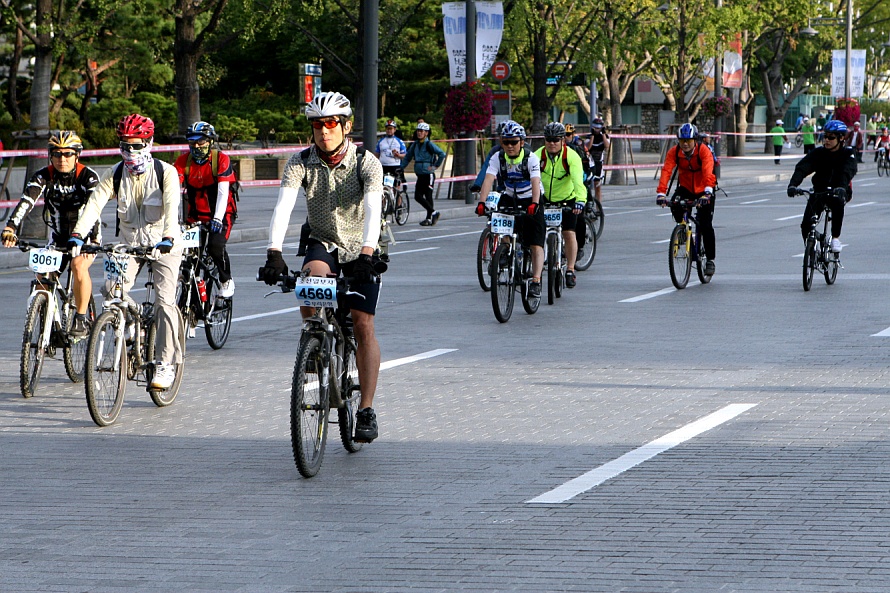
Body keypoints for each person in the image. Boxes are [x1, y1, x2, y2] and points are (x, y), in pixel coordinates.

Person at [260, 91, 384, 443]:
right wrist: (274, 251)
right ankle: (315, 341)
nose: (324, 131)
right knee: (308, 282)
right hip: (324, 241)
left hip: (364, 246)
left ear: (345, 126)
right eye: (317, 124)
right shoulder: (300, 162)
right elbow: (283, 205)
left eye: (331, 124)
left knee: (362, 324)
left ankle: (366, 410)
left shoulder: (366, 163)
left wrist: (366, 253)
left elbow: (373, 208)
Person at [68, 114, 183, 390]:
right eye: (125, 145)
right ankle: (129, 326)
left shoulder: (165, 172)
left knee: (164, 302)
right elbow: (94, 204)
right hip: (129, 244)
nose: (130, 152)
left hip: (163, 244)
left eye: (136, 145)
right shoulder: (116, 173)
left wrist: (167, 237)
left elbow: (171, 206)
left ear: (149, 143)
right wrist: (77, 234)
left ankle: (165, 363)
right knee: (111, 289)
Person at [1, 131, 100, 337]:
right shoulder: (43, 175)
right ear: (50, 155)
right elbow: (26, 202)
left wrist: (94, 240)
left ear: (77, 155)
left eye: (67, 154)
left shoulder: (88, 176)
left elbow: (95, 210)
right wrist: (11, 227)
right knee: (42, 277)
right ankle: (49, 324)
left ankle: (81, 319)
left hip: (85, 238)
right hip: (57, 239)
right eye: (56, 154)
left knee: (78, 265)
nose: (62, 159)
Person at [474, 120, 545, 298]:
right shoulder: (497, 157)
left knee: (535, 243)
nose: (510, 146)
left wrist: (535, 204)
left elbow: (536, 183)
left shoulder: (531, 158)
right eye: (506, 142)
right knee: (500, 222)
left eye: (514, 142)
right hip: (510, 196)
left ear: (522, 142)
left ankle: (536, 281)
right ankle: (505, 249)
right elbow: (489, 179)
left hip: (531, 196)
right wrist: (482, 203)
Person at [174, 121, 238, 298]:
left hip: (222, 213)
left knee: (215, 246)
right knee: (189, 258)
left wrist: (217, 218)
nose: (196, 146)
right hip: (194, 215)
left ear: (210, 142)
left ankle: (226, 279)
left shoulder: (221, 160)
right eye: (192, 142)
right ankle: (192, 304)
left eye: (201, 142)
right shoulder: (183, 161)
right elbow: (172, 191)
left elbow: (223, 191)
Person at [787, 119, 857, 254]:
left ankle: (836, 238)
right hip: (820, 190)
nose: (827, 140)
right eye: (825, 136)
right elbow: (803, 167)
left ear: (841, 138)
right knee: (806, 225)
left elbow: (847, 171)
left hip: (839, 189)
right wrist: (793, 185)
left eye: (831, 137)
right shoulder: (819, 153)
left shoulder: (847, 153)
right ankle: (813, 248)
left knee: (837, 201)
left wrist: (842, 187)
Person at [656, 123, 717, 276]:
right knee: (675, 204)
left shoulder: (704, 150)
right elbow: (666, 171)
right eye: (682, 140)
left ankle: (710, 259)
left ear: (695, 140)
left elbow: (708, 171)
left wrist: (708, 192)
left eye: (688, 140)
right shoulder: (675, 152)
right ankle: (682, 230)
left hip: (704, 188)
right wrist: (661, 193)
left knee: (705, 224)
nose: (685, 144)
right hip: (686, 188)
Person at [534, 122, 586, 288]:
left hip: (567, 199)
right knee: (536, 233)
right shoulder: (537, 156)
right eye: (548, 139)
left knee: (569, 232)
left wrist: (580, 201)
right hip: (545, 199)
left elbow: (578, 181)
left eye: (556, 139)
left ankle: (570, 269)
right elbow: (529, 178)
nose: (552, 143)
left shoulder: (571, 156)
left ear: (563, 140)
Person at [401, 122, 446, 226]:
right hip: (420, 174)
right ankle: (433, 214)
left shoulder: (429, 144)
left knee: (427, 195)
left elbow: (442, 154)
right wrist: (401, 167)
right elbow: (408, 157)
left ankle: (430, 217)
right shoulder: (415, 144)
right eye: (418, 131)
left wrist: (435, 166)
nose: (419, 133)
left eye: (422, 131)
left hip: (428, 174)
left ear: (426, 133)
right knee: (418, 196)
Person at [586, 117, 610, 205]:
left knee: (598, 186)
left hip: (599, 162)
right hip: (589, 162)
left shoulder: (604, 137)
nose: (596, 129)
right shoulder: (589, 137)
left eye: (598, 127)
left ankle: (598, 207)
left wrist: (603, 133)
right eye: (595, 127)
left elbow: (607, 145)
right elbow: (588, 147)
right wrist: (592, 136)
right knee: (586, 185)